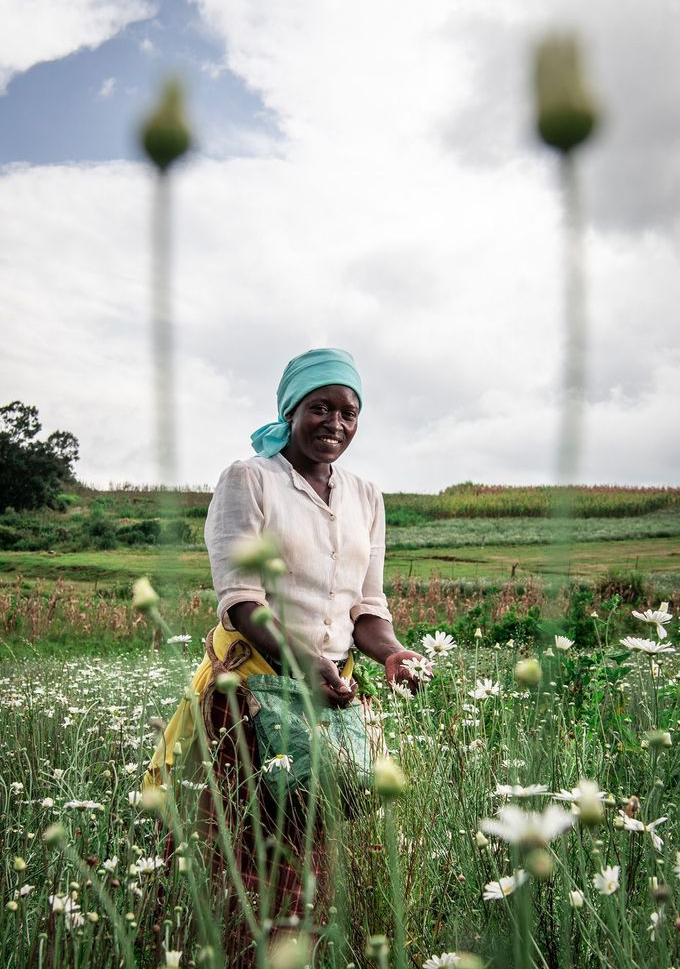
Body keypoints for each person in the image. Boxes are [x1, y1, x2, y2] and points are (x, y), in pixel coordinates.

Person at [145, 347, 425, 960]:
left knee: (308, 850)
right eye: (319, 407)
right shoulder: (250, 480)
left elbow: (367, 608)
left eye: (348, 412)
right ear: (290, 410)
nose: (335, 423)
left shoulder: (366, 496)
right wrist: (306, 661)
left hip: (329, 698)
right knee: (241, 849)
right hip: (249, 692)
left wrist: (393, 654)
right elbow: (242, 602)